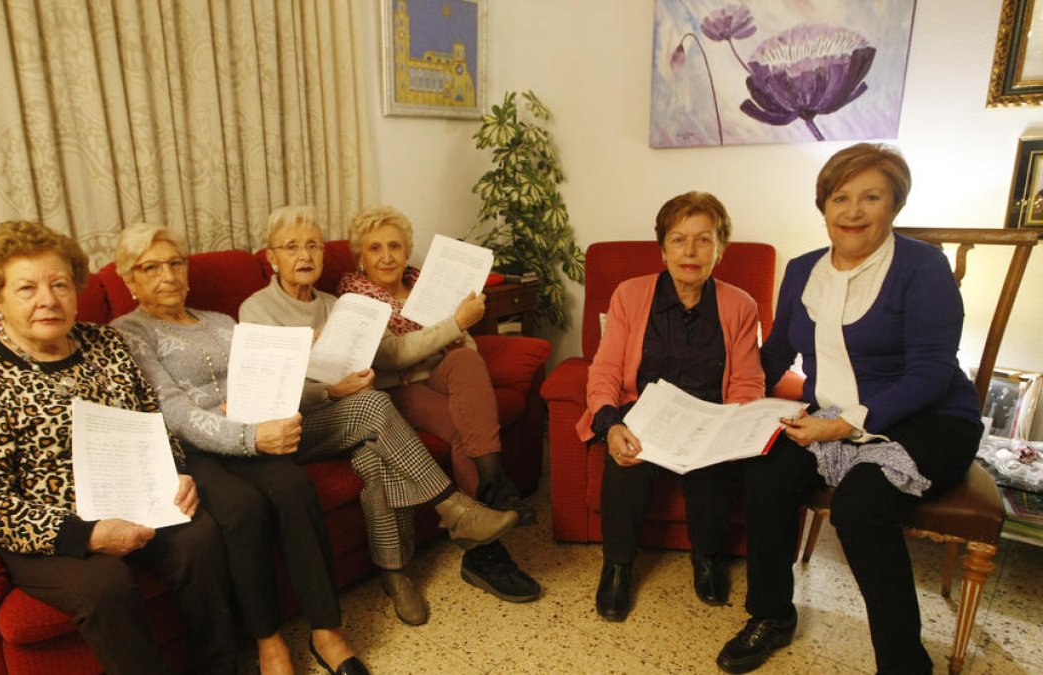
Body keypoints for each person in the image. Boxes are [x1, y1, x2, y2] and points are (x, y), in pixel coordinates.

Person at [715, 144, 982, 675]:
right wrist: (739, 403)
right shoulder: (802, 270)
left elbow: (931, 372)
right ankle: (771, 615)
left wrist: (842, 424)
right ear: (824, 206)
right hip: (830, 416)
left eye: (871, 197)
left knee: (860, 506)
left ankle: (904, 662)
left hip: (928, 420)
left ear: (894, 206)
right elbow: (776, 353)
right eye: (841, 197)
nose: (853, 211)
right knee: (766, 473)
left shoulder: (923, 266)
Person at [0, 221, 236, 675]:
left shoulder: (107, 345)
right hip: (45, 521)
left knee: (199, 539)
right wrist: (85, 535)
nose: (48, 299)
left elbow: (152, 420)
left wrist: (176, 470)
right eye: (26, 288)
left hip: (135, 498)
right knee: (106, 585)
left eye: (59, 284)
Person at [238, 205, 519, 627]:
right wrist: (329, 391)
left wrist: (358, 379)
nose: (305, 255)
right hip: (295, 427)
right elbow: (266, 393)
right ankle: (454, 507)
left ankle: (395, 575)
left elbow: (364, 363)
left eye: (313, 245)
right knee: (374, 406)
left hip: (349, 414)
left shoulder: (336, 305)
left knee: (377, 458)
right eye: (292, 246)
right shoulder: (256, 311)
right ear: (271, 257)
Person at [110, 224, 367, 675]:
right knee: (241, 507)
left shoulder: (221, 322)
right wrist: (250, 436)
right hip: (191, 451)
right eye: (150, 267)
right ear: (130, 281)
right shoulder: (127, 332)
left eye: (175, 263)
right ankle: (268, 642)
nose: (167, 275)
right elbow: (172, 410)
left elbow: (268, 377)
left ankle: (327, 630)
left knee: (293, 486)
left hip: (252, 432)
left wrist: (291, 402)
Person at [338, 205, 541, 604]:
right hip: (400, 387)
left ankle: (493, 486)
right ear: (360, 257)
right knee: (460, 428)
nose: (387, 256)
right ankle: (486, 553)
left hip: (444, 372)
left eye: (395, 246)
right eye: (375, 248)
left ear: (408, 249)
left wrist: (459, 333)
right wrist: (456, 324)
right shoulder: (355, 297)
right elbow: (390, 357)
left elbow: (464, 345)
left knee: (466, 359)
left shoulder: (424, 283)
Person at [576, 192, 764, 621]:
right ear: (662, 249)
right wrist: (609, 423)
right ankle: (618, 566)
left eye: (703, 240)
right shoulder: (630, 295)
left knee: (713, 467)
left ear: (720, 248)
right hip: (642, 412)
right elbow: (604, 369)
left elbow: (748, 383)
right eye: (679, 240)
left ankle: (708, 558)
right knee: (624, 457)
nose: (691, 251)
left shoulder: (741, 306)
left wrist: (729, 425)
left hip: (708, 417)